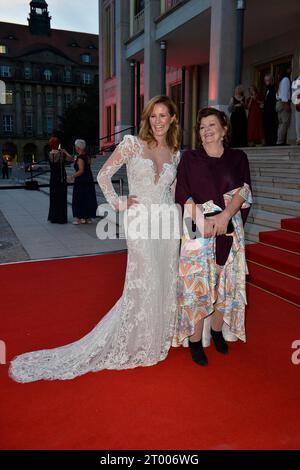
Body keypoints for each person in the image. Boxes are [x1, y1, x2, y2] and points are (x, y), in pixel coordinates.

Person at [9, 95, 182, 383]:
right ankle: (137, 340)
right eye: (153, 116)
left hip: (166, 224)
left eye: (164, 116)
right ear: (147, 119)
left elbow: (173, 189)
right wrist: (119, 202)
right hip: (139, 222)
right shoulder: (131, 144)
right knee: (145, 277)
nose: (158, 121)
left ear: (173, 119)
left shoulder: (175, 151)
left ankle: (156, 336)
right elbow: (104, 175)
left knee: (164, 278)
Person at [174, 107, 252, 366]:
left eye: (211, 125)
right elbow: (182, 192)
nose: (206, 131)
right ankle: (195, 341)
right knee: (197, 283)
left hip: (228, 224)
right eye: (202, 127)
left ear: (224, 129)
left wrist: (225, 216)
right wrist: (202, 222)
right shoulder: (190, 158)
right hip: (197, 224)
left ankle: (217, 331)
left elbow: (244, 191)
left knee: (226, 283)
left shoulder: (238, 158)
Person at [69, 139, 98, 225]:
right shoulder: (87, 156)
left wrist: (72, 176)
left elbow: (81, 170)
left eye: (75, 146)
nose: (75, 148)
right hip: (88, 179)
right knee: (88, 197)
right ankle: (87, 218)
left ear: (78, 147)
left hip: (81, 180)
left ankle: (80, 218)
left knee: (80, 198)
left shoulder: (80, 158)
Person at [48, 137, 73, 224]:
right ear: (58, 143)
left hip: (53, 177)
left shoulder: (49, 153)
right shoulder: (62, 153)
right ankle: (61, 218)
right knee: (61, 197)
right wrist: (65, 151)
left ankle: (53, 217)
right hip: (61, 177)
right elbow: (71, 159)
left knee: (53, 197)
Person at [276, 69, 291, 145]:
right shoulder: (285, 80)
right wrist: (286, 104)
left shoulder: (281, 81)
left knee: (281, 123)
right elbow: (284, 93)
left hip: (279, 102)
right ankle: (281, 141)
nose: (290, 71)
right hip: (283, 102)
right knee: (284, 123)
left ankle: (280, 140)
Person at [263, 74, 277, 146]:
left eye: (267, 80)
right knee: (267, 127)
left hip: (271, 112)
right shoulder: (266, 90)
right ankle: (267, 141)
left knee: (271, 127)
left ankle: (271, 142)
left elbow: (272, 101)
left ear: (271, 81)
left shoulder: (273, 89)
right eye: (265, 81)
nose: (266, 82)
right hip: (266, 112)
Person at [291, 71, 300, 145]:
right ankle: (299, 138)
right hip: (298, 104)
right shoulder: (295, 81)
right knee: (298, 122)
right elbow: (293, 94)